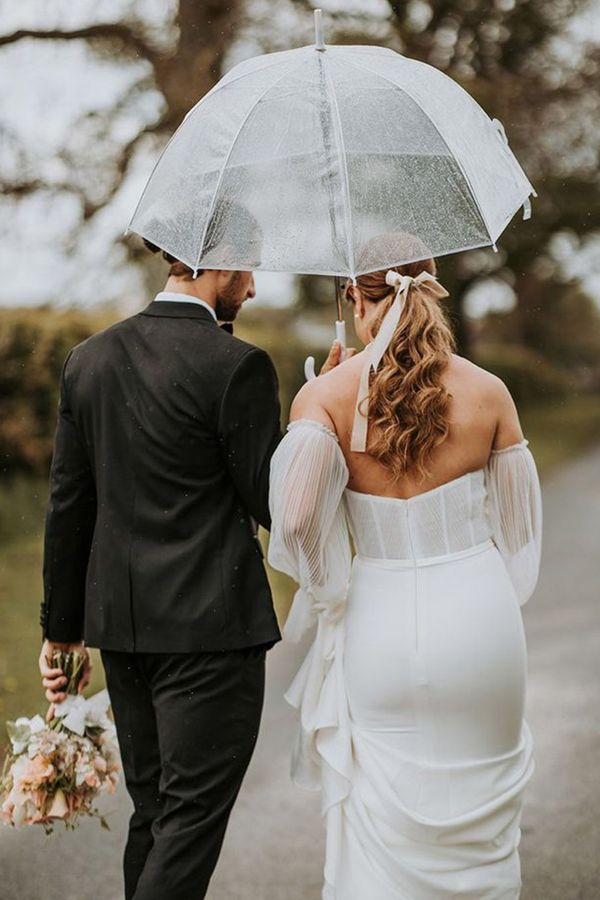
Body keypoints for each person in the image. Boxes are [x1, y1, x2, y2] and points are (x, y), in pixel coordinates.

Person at [37, 238, 344, 900]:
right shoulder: (238, 367)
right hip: (212, 635)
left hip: (121, 631)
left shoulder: (87, 361)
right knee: (188, 823)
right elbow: (273, 503)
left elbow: (70, 506)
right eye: (249, 269)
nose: (255, 288)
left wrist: (60, 634)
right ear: (218, 262)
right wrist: (319, 411)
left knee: (155, 815)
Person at [268, 240, 542, 899]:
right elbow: (519, 530)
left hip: (380, 626)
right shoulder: (490, 393)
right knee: (484, 827)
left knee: (380, 829)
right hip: (480, 620)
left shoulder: (326, 399)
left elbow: (297, 522)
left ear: (356, 302)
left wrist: (331, 583)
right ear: (432, 291)